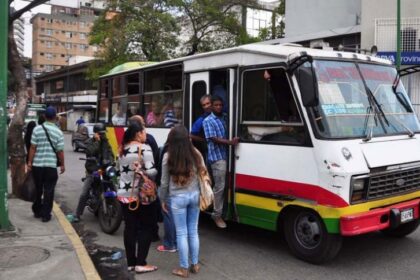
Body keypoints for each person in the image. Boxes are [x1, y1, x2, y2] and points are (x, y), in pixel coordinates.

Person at [160, 126, 205, 278]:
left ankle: (184, 269)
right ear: (187, 138)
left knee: (181, 233)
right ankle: (195, 264)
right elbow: (203, 173)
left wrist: (162, 199)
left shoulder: (168, 156)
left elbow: (164, 183)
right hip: (194, 196)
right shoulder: (196, 153)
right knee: (193, 231)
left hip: (177, 198)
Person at [117, 122, 158, 274]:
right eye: (144, 132)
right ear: (138, 133)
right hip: (141, 197)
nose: (145, 135)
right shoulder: (144, 148)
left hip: (124, 195)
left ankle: (130, 263)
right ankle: (141, 263)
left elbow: (118, 170)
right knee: (146, 227)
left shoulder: (122, 149)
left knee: (130, 228)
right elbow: (151, 172)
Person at [203, 95, 239, 229]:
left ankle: (215, 208)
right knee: (219, 187)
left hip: (226, 155)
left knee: (221, 186)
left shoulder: (224, 117)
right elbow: (213, 138)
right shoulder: (208, 120)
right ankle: (216, 215)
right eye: (216, 105)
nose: (218, 107)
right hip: (217, 158)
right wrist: (230, 143)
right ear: (211, 106)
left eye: (220, 105)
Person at [27, 106, 65, 223]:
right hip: (50, 167)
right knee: (49, 191)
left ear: (44, 116)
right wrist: (62, 164)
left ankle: (37, 211)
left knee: (38, 189)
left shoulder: (37, 130)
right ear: (54, 117)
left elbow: (32, 147)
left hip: (37, 166)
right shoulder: (58, 132)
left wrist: (29, 162)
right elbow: (60, 151)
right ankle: (46, 215)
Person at [73, 123, 114, 222]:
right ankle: (77, 214)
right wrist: (98, 142)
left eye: (104, 134)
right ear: (96, 133)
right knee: (84, 193)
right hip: (93, 171)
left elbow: (111, 154)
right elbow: (90, 152)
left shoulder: (106, 143)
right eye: (101, 134)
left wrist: (111, 161)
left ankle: (116, 209)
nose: (103, 135)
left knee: (113, 186)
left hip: (104, 171)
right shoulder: (90, 142)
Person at [190, 95, 212, 159]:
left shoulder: (222, 115)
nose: (206, 106)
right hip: (208, 152)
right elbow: (191, 135)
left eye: (208, 103)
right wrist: (204, 140)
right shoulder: (201, 120)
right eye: (203, 105)